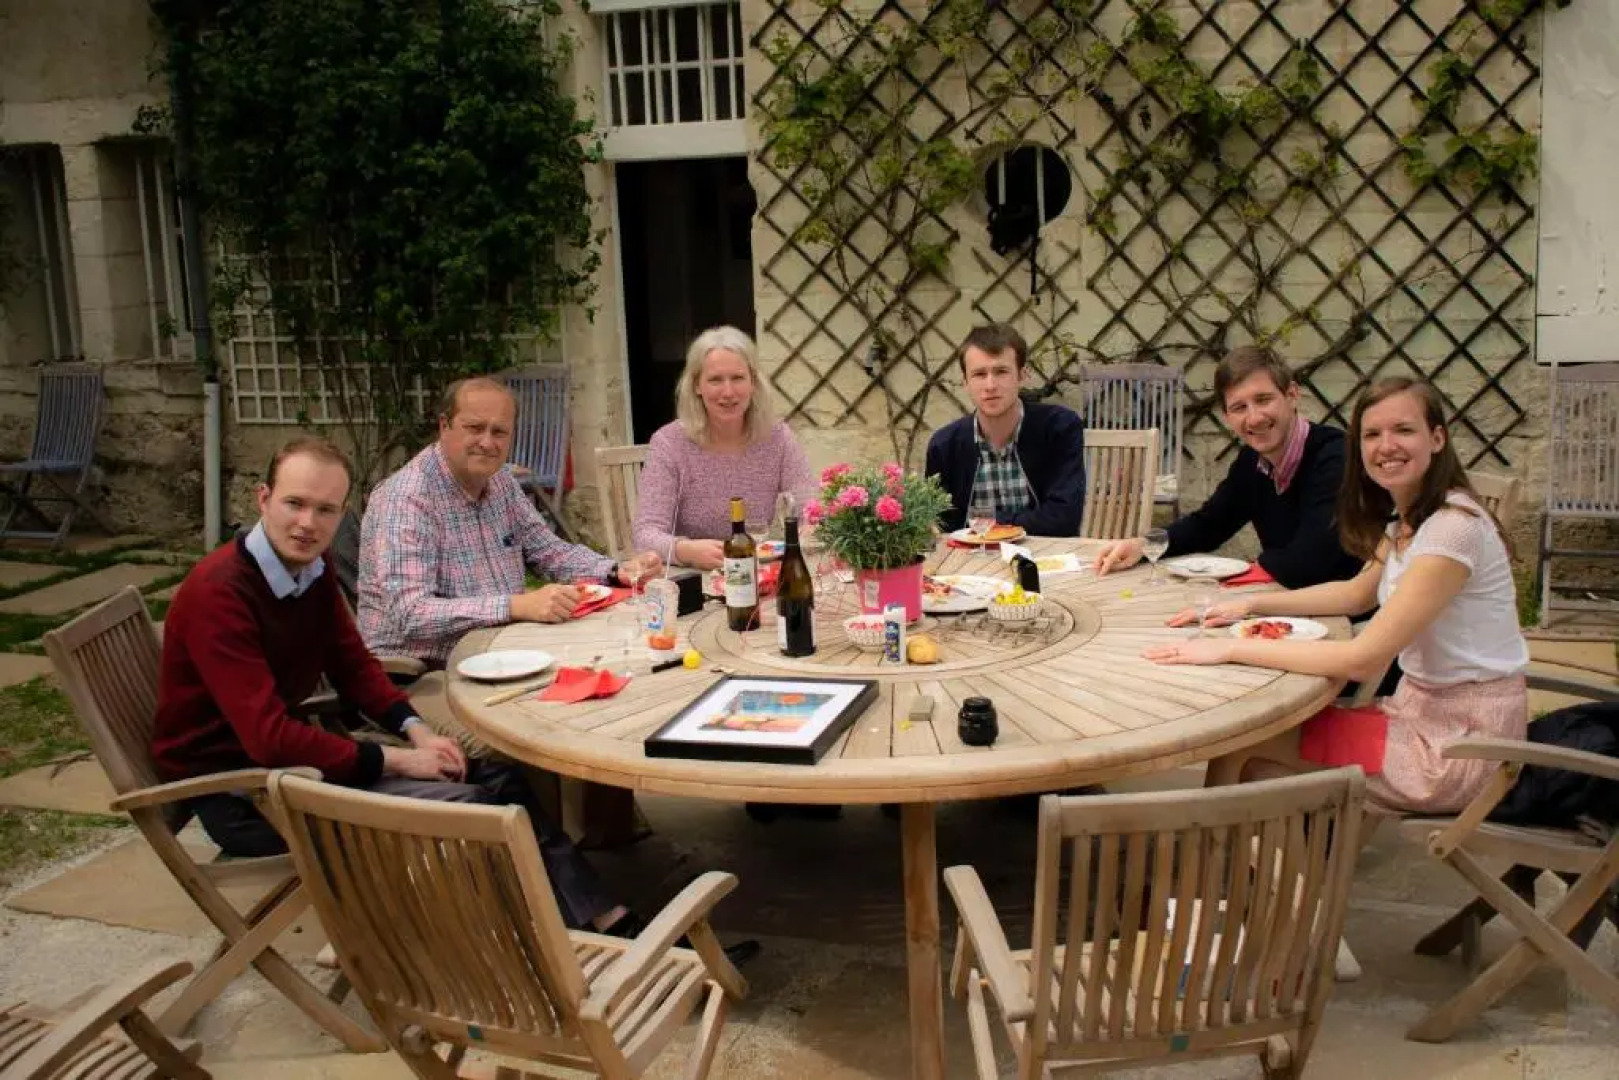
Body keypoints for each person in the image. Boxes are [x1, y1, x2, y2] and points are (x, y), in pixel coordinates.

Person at [150, 436, 631, 932]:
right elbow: (267, 737)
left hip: (292, 767)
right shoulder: (220, 595)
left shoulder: (311, 568)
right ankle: (528, 952)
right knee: (475, 813)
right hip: (245, 797)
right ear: (263, 498)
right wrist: (397, 759)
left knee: (492, 774)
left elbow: (354, 665)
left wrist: (416, 729)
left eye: (325, 510)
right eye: (294, 503)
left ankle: (597, 918)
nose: (307, 523)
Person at [1144, 377, 1529, 814]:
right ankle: (1247, 872)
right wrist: (1249, 605)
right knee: (1244, 750)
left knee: (1248, 754)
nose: (1386, 445)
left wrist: (1231, 649)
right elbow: (1353, 594)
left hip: (1459, 746)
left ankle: (1241, 873)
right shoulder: (1409, 520)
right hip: (1417, 713)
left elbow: (1361, 658)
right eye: (1372, 434)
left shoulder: (1451, 529)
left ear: (1437, 438)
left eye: (1403, 430)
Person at [359, 377, 663, 667]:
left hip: (501, 653)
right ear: (444, 426)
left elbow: (549, 551)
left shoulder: (501, 480)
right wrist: (517, 606)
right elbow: (411, 613)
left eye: (499, 432)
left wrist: (615, 571)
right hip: (419, 673)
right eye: (475, 428)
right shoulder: (407, 498)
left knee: (623, 661)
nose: (487, 442)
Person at [1095, 345, 1360, 587]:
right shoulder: (1251, 461)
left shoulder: (1335, 457)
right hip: (1289, 603)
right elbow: (1209, 525)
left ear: (1291, 395)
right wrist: (1144, 546)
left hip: (1349, 620)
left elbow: (1311, 559)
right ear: (1227, 417)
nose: (1254, 418)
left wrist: (1236, 580)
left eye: (1263, 400)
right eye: (1239, 407)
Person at [635, 326, 817, 569]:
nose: (728, 392)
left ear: (753, 382)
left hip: (758, 573)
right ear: (697, 385)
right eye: (715, 380)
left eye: (738, 378)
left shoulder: (778, 438)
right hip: (695, 580)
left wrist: (809, 530)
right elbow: (645, 534)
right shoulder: (669, 444)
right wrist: (684, 550)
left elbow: (811, 510)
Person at [925, 323, 1086, 536]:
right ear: (965, 382)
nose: (990, 385)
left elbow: (1063, 518)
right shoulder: (944, 446)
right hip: (969, 564)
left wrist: (987, 520)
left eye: (1001, 372)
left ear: (1022, 375)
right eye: (979, 374)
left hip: (1048, 559)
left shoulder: (1058, 428)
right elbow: (942, 527)